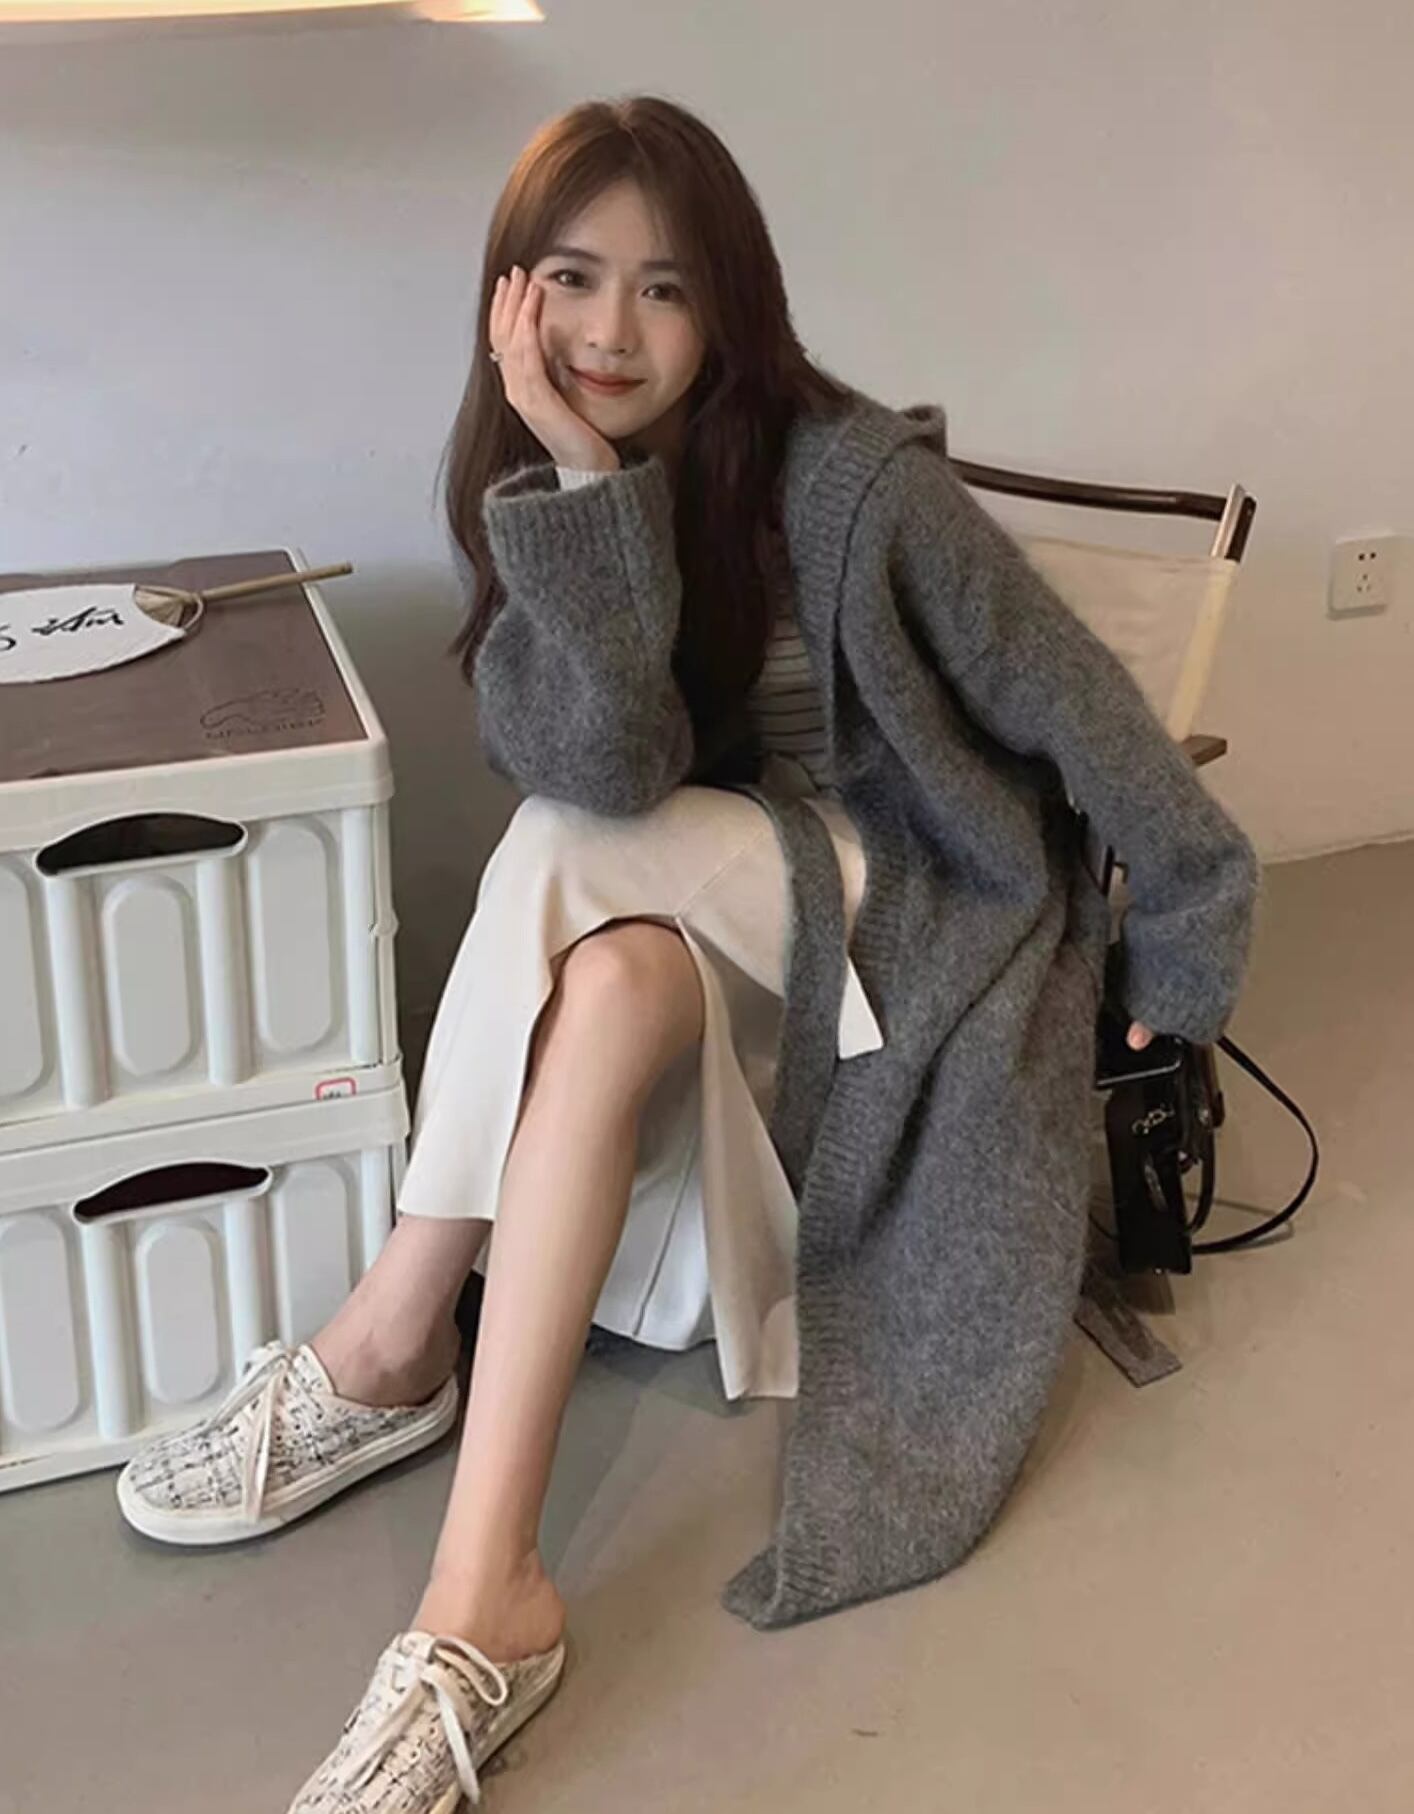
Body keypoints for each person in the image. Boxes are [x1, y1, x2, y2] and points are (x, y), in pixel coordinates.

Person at [113, 93, 1260, 1814]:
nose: (612, 329)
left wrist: (1183, 927)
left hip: (915, 896)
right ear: (512, 293)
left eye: (665, 287)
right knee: (611, 977)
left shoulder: (858, 484)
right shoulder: (541, 477)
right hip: (731, 907)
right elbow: (606, 758)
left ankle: (393, 1335)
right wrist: (583, 492)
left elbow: (1078, 709)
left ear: (730, 302)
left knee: (558, 850)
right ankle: (489, 1589)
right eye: (573, 278)